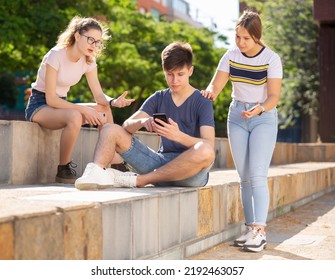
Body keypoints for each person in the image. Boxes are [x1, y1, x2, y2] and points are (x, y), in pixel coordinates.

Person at [75, 41, 215, 189]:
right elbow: (126, 127)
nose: (174, 80)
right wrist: (142, 121)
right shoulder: (159, 97)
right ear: (164, 71)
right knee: (110, 129)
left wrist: (177, 135)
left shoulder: (202, 101)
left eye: (180, 74)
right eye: (169, 74)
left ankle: (140, 181)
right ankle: (96, 173)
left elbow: (209, 145)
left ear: (190, 71)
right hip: (159, 163)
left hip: (190, 173)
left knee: (205, 150)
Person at [202, 10, 283, 252]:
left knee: (257, 175)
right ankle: (250, 229)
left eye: (246, 38)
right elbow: (216, 84)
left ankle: (260, 231)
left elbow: (274, 97)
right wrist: (210, 93)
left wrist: (259, 109)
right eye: (237, 37)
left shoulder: (271, 58)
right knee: (244, 177)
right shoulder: (230, 55)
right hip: (236, 116)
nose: (240, 42)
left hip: (263, 118)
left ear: (257, 37)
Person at [25, 16, 134, 184]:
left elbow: (99, 96)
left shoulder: (88, 61)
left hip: (61, 105)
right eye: (90, 39)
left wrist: (113, 102)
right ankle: (63, 169)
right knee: (75, 116)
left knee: (104, 109)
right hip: (40, 105)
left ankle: (115, 163)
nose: (94, 45)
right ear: (77, 36)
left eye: (97, 42)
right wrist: (83, 110)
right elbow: (51, 98)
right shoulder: (56, 55)